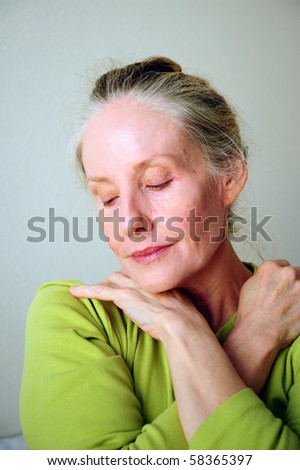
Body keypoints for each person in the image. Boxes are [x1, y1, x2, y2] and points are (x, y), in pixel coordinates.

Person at [20, 57, 300, 450]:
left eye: (157, 181)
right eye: (108, 197)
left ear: (229, 177)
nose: (130, 221)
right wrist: (249, 341)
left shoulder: (295, 309)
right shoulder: (75, 317)